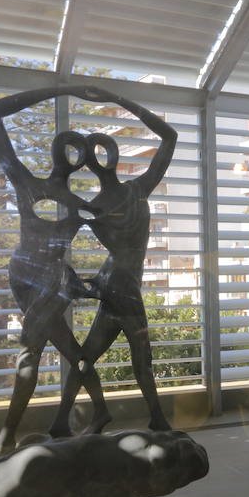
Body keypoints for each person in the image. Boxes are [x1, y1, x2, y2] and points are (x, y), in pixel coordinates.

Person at [0, 86, 111, 458]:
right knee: (70, 349)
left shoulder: (75, 203)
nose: (71, 156)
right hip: (23, 276)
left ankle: (6, 436)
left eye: (78, 152)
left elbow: (118, 233)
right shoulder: (29, 183)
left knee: (29, 354)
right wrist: (63, 88)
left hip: (52, 281)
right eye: (68, 148)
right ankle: (101, 411)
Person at [52, 86, 176, 434]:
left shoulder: (99, 205)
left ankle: (69, 421)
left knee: (99, 360)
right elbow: (170, 137)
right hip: (117, 289)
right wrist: (123, 102)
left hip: (115, 289)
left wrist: (120, 100)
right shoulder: (130, 193)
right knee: (133, 363)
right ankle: (68, 421)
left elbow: (169, 138)